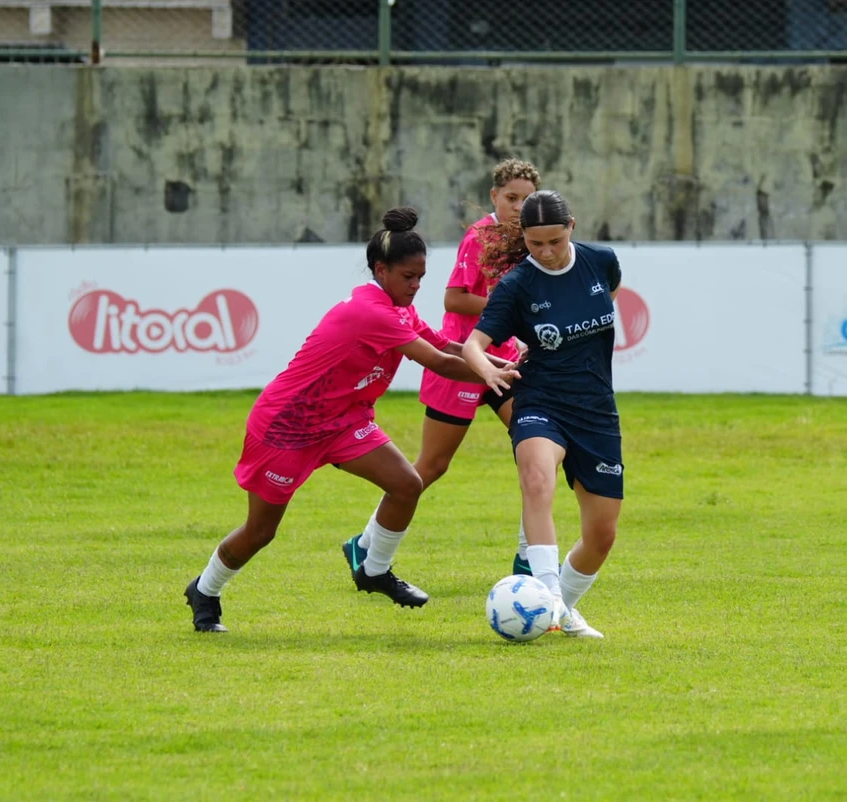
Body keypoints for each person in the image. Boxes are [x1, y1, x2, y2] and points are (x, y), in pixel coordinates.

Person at [184, 207, 520, 633]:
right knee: (261, 531)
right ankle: (206, 590)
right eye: (408, 277)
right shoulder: (372, 312)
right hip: (288, 427)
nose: (417, 286)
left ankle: (373, 568)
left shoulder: (397, 307)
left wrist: (499, 359)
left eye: (421, 277)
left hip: (343, 421)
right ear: (381, 270)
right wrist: (495, 372)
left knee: (406, 484)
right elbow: (437, 361)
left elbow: (445, 344)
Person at [341, 159, 541, 580]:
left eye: (526, 200)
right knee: (431, 466)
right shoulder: (480, 236)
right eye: (511, 198)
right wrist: (512, 309)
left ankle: (530, 558)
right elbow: (454, 300)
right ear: (494, 197)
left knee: (538, 449)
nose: (518, 207)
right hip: (464, 357)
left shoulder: (530, 240)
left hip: (501, 358)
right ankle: (365, 543)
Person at [462, 190, 623, 640]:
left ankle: (558, 612)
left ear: (572, 226)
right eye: (536, 244)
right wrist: (488, 372)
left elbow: (607, 295)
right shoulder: (518, 285)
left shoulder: (601, 261)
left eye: (555, 241)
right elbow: (475, 344)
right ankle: (548, 597)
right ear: (524, 239)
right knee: (536, 478)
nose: (547, 253)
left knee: (602, 535)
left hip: (596, 408)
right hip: (540, 401)